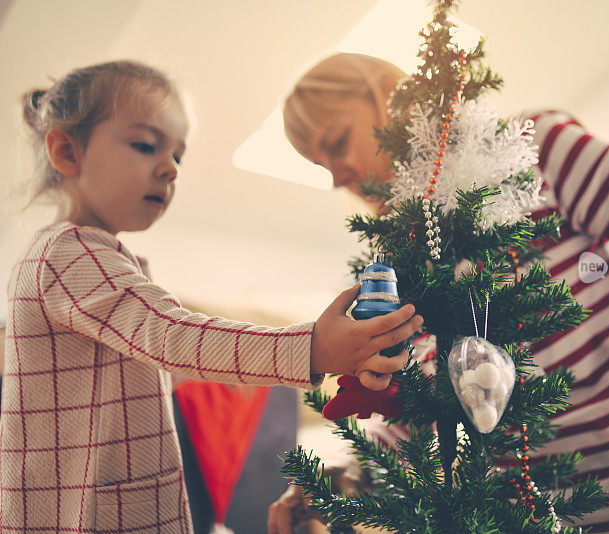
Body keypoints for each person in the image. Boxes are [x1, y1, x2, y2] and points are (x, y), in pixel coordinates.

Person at [269, 53, 609, 534]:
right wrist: (346, 470)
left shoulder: (535, 153)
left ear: (387, 97)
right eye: (319, 164)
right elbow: (416, 408)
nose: (335, 177)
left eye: (336, 144)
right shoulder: (402, 262)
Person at [0, 59, 424, 533]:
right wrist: (313, 348)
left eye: (178, 155)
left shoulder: (101, 262)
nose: (169, 169)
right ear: (65, 151)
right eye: (145, 145)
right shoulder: (67, 254)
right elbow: (169, 332)